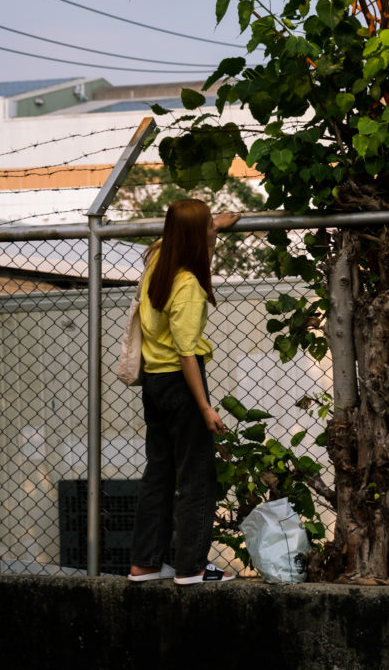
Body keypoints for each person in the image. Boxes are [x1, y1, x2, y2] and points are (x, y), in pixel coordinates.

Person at [127, 198, 240, 585]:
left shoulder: (158, 259)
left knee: (159, 472)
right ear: (194, 235)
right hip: (182, 382)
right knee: (197, 477)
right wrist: (205, 407)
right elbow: (187, 352)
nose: (213, 229)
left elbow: (193, 249)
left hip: (154, 383)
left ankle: (145, 563)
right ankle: (192, 568)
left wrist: (215, 229)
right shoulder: (188, 285)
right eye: (208, 225)